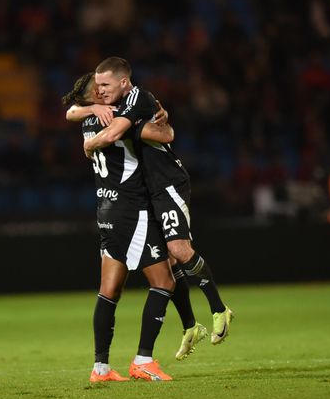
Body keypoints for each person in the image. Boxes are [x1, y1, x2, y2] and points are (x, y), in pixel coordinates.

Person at [79, 57, 234, 351]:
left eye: (105, 85)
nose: (100, 91)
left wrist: (89, 143)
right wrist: (91, 109)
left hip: (167, 183)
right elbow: (73, 111)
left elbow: (139, 133)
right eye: (96, 86)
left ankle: (218, 309)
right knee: (167, 261)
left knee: (178, 250)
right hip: (147, 191)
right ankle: (189, 326)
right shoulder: (116, 106)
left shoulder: (138, 99)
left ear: (124, 82)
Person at [62, 71, 179, 382]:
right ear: (95, 96)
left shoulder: (87, 118)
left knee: (109, 290)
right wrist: (160, 121)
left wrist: (85, 113)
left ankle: (100, 368)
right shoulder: (115, 117)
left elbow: (71, 111)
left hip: (105, 209)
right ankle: (143, 360)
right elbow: (164, 136)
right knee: (164, 282)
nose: (104, 92)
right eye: (99, 89)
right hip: (132, 208)